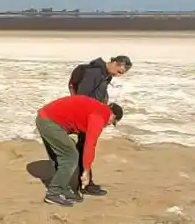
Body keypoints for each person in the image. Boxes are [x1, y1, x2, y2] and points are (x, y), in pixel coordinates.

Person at [34, 95, 123, 207]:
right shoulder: (100, 117)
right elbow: (90, 145)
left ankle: (63, 189)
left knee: (62, 155)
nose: (109, 124)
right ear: (112, 115)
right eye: (112, 122)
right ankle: (53, 193)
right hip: (50, 122)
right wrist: (86, 171)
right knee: (70, 156)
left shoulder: (98, 108)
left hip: (45, 118)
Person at [62, 55, 131, 196]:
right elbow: (81, 97)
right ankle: (84, 184)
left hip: (91, 116)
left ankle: (84, 183)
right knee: (84, 149)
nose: (118, 75)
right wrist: (88, 116)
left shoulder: (105, 75)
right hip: (87, 117)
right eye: (119, 71)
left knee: (83, 149)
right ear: (114, 63)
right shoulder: (95, 73)